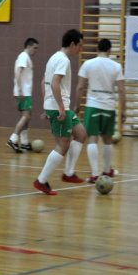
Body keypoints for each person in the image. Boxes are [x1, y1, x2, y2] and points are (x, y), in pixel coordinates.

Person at [33, 29, 87, 195]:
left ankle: (68, 173)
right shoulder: (63, 60)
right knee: (62, 146)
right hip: (59, 107)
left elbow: (44, 82)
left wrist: (47, 104)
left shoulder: (53, 58)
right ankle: (41, 181)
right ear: (72, 44)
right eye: (79, 46)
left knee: (81, 134)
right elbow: (54, 83)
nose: (80, 50)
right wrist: (60, 108)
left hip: (56, 105)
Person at [73, 38, 126, 183]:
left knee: (92, 138)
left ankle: (95, 174)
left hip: (93, 105)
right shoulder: (116, 66)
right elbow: (121, 89)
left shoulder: (88, 64)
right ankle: (107, 170)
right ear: (109, 50)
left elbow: (79, 87)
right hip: (109, 106)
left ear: (97, 49)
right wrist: (124, 109)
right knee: (108, 139)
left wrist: (77, 105)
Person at [6, 38, 39, 153]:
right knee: (26, 117)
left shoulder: (25, 57)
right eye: (35, 48)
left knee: (28, 116)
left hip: (25, 92)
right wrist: (20, 90)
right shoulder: (23, 57)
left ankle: (24, 143)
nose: (36, 50)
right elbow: (18, 72)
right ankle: (13, 139)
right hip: (23, 92)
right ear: (28, 46)